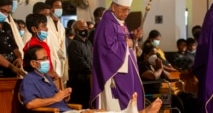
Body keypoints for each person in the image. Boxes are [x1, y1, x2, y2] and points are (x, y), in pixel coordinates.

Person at [20, 45, 163, 113]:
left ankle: (133, 112)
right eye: (43, 59)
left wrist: (64, 96)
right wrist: (56, 98)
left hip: (67, 110)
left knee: (102, 112)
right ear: (33, 63)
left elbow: (57, 98)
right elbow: (30, 104)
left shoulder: (45, 76)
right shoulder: (29, 80)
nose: (47, 61)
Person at [90, 0, 145, 111]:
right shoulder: (107, 23)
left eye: (128, 10)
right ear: (114, 7)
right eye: (124, 10)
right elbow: (106, 49)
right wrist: (128, 44)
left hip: (126, 70)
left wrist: (134, 36)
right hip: (114, 73)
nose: (126, 13)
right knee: (117, 105)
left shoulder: (119, 22)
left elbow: (123, 40)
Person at [23, 13, 58, 79]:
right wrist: (47, 74)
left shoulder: (44, 44)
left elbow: (48, 61)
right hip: (38, 78)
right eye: (43, 26)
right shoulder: (31, 45)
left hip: (48, 77)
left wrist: (52, 71)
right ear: (34, 29)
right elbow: (29, 66)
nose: (46, 29)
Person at [67, 20, 92, 108]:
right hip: (78, 79)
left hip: (88, 78)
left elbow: (91, 59)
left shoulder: (88, 43)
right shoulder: (74, 44)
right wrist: (91, 71)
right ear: (76, 31)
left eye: (86, 27)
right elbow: (79, 61)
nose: (85, 29)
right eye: (82, 28)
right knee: (80, 103)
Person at [0, 0, 24, 77]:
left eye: (8, 12)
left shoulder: (6, 26)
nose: (5, 14)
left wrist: (19, 58)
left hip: (12, 71)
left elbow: (14, 46)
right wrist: (11, 67)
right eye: (2, 11)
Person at [45, 0, 67, 79]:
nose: (60, 9)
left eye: (60, 7)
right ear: (50, 8)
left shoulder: (61, 26)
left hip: (60, 61)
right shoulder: (45, 24)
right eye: (57, 6)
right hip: (49, 62)